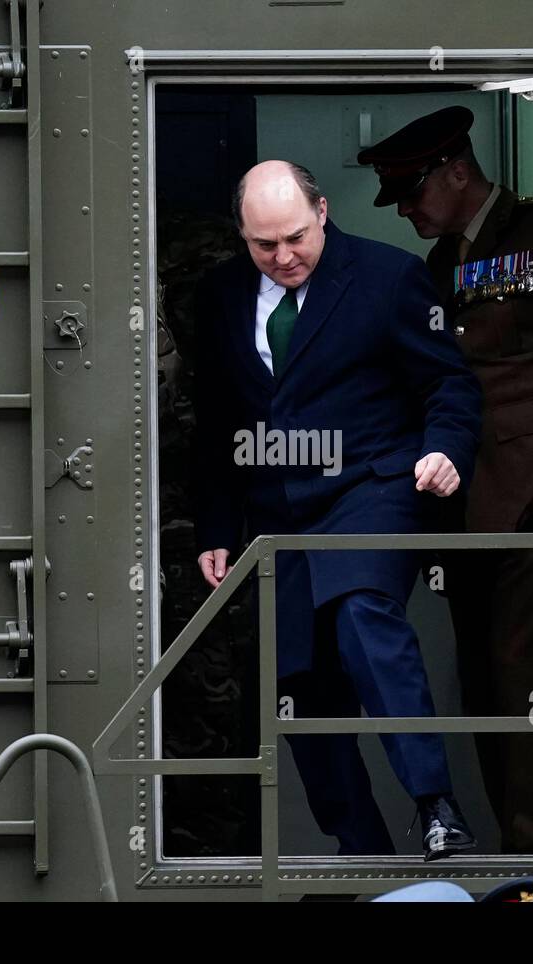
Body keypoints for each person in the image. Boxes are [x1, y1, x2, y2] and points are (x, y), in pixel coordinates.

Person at [191, 159, 482, 860]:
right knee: (298, 683)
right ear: (243, 235)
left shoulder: (388, 276)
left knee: (362, 615)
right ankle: (364, 854)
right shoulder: (221, 295)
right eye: (265, 245)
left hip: (370, 487)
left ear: (322, 212)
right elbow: (218, 420)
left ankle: (437, 807)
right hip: (273, 508)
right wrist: (216, 528)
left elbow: (449, 383)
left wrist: (443, 450)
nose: (284, 257)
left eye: (295, 237)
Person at [359, 106, 533, 854]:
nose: (406, 210)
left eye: (414, 192)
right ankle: (516, 850)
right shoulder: (436, 269)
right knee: (484, 688)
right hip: (464, 515)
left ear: (457, 171)